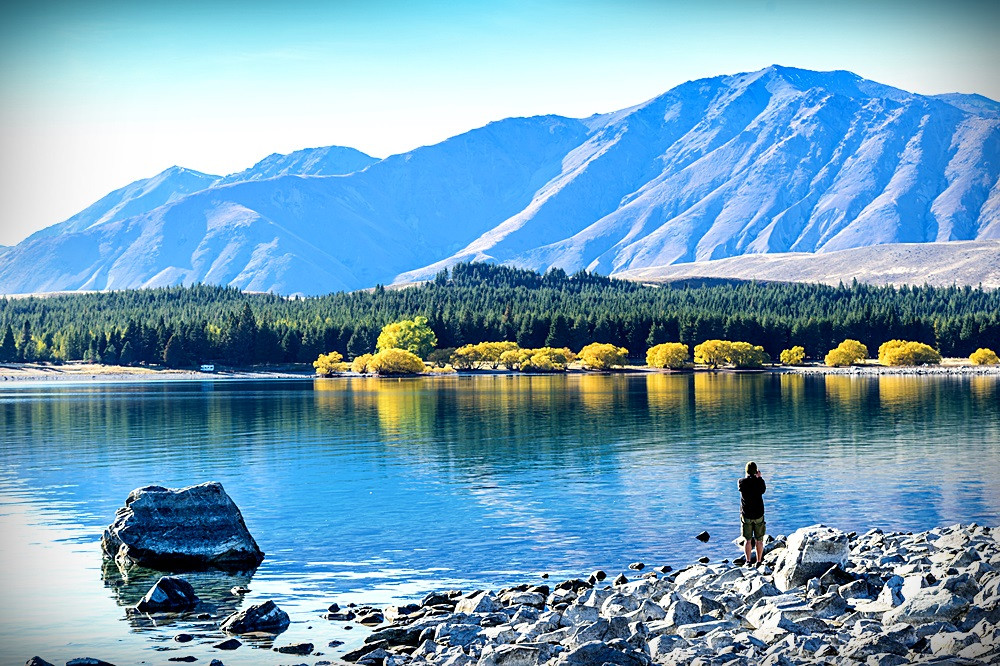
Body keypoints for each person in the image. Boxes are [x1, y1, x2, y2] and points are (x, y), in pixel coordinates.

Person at [738, 461, 766, 567]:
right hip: (758, 515)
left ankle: (748, 561)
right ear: (756, 471)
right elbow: (763, 490)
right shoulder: (759, 482)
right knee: (759, 540)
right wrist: (759, 478)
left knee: (748, 540)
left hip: (746, 515)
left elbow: (744, 485)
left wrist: (749, 476)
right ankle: (759, 561)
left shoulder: (741, 482)